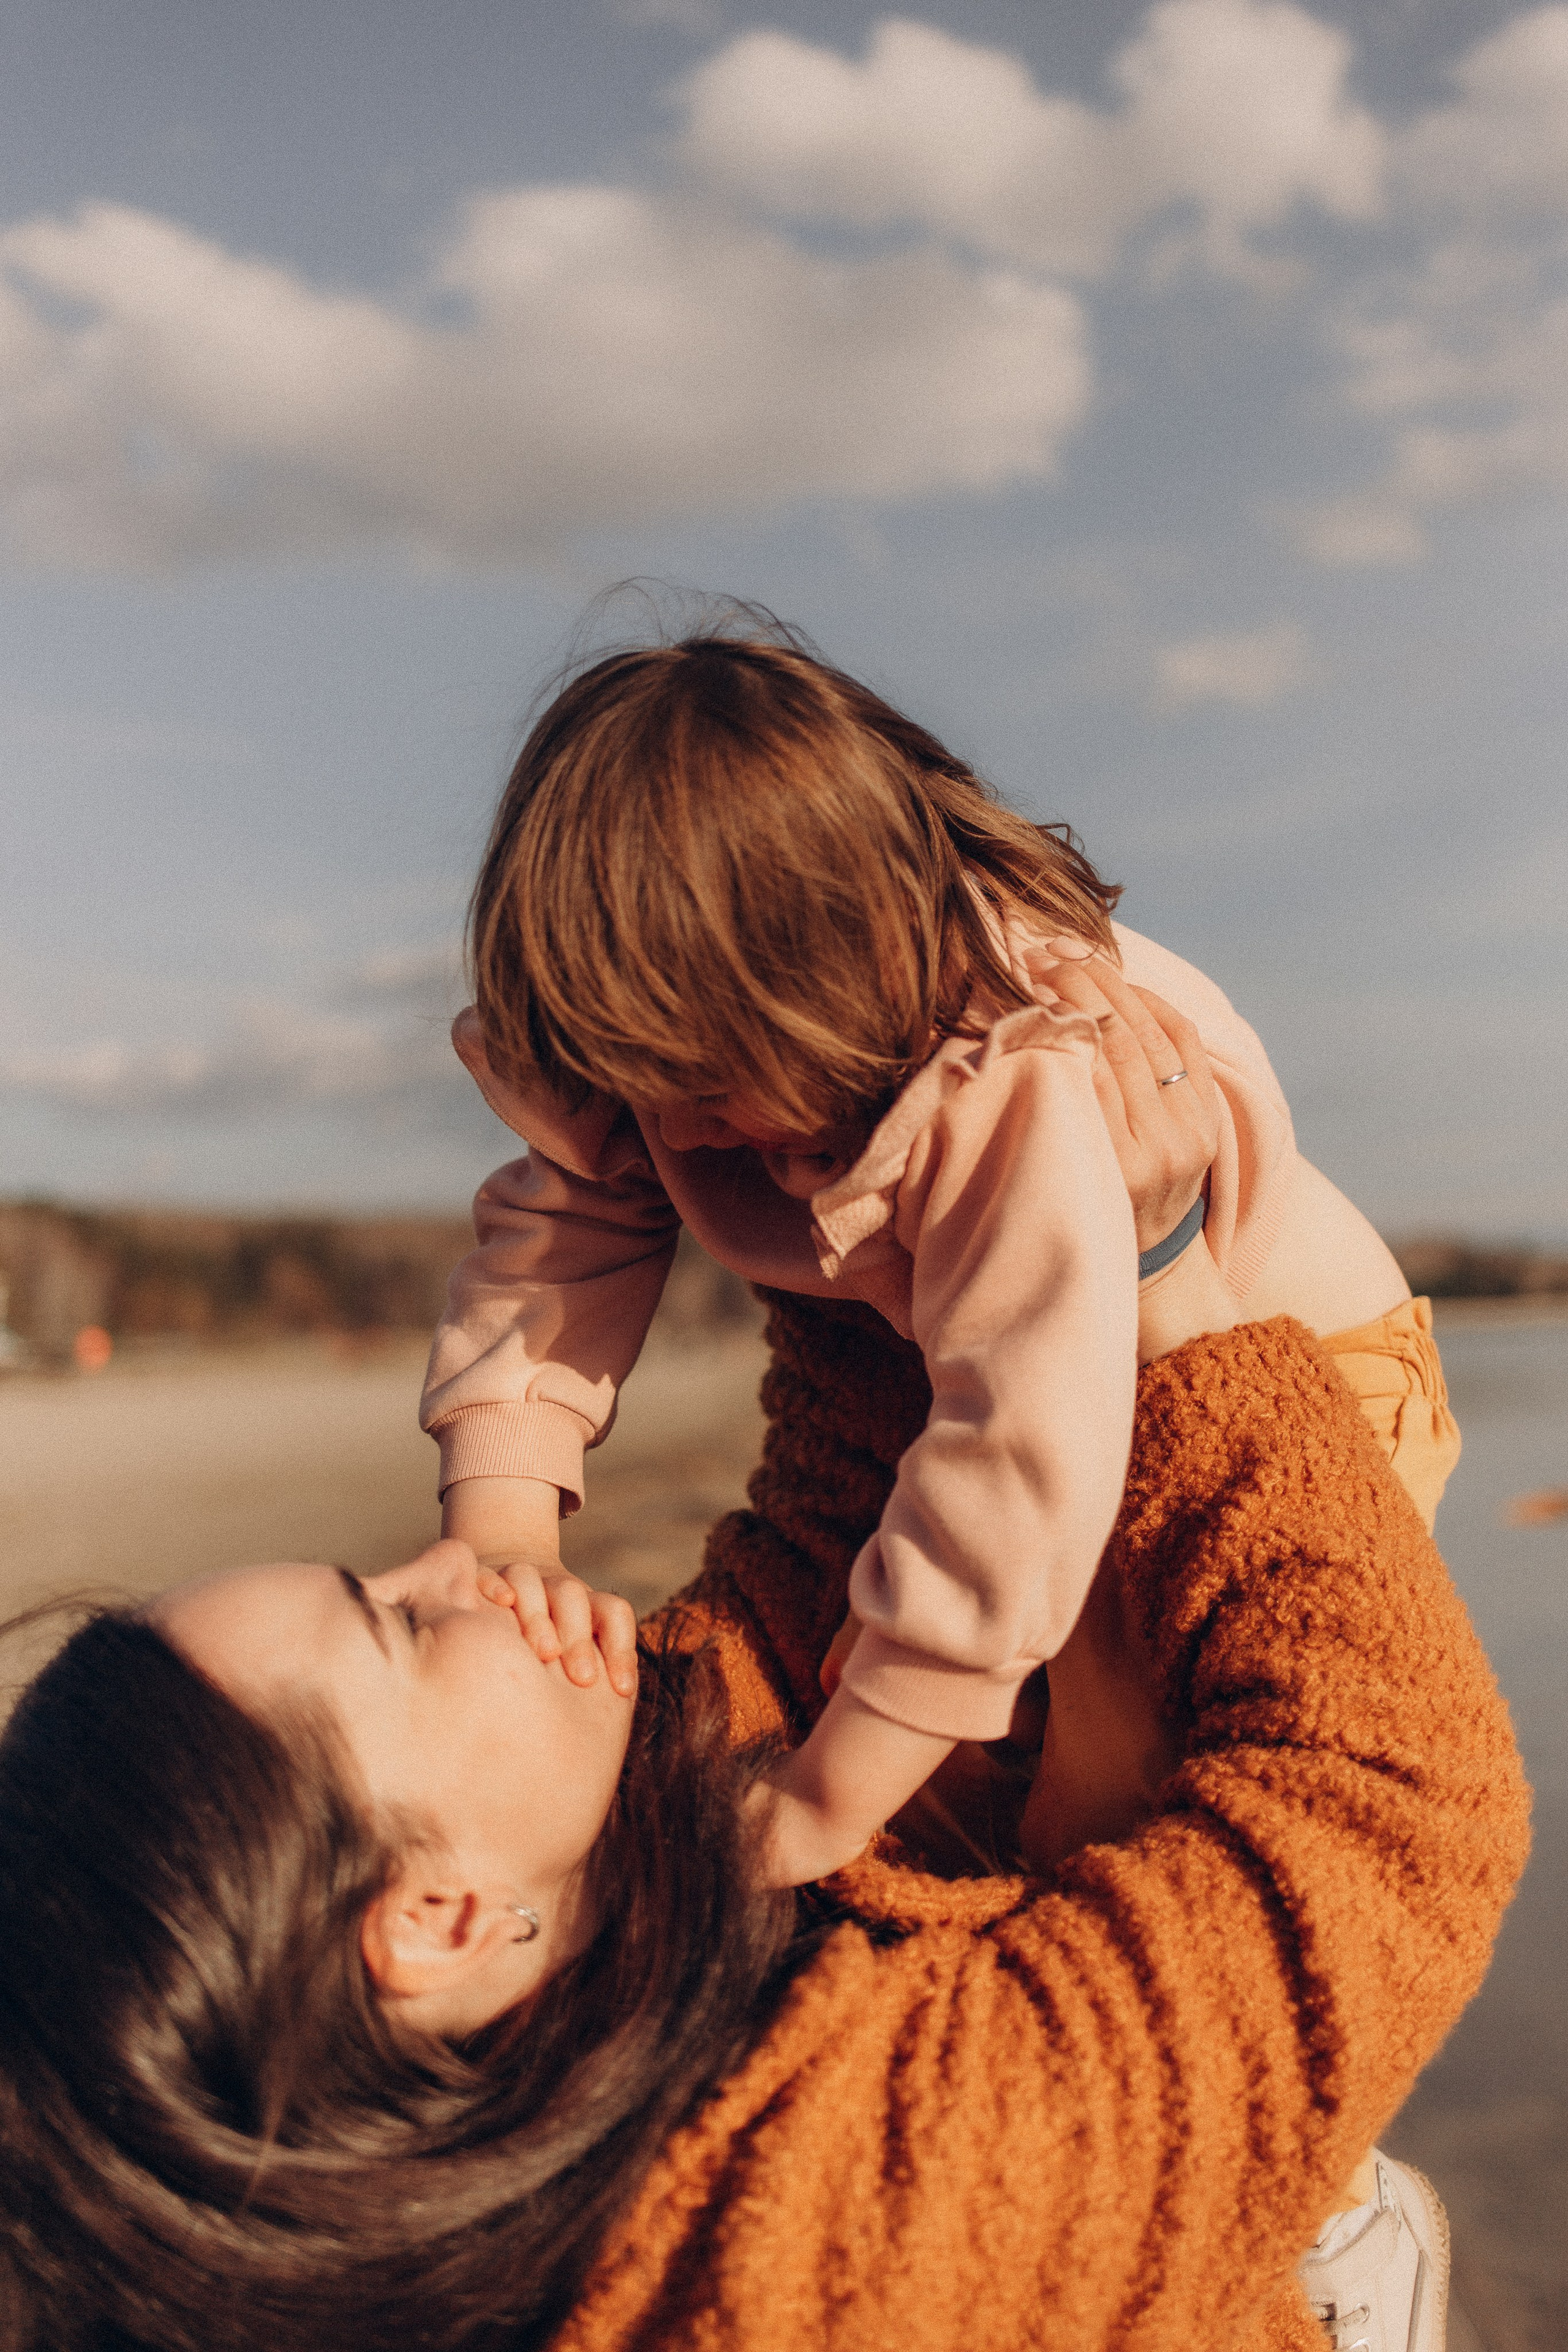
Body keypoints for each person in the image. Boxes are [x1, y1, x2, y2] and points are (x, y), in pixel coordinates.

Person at [0, 1287, 1527, 2352]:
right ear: (433, 1919)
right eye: (397, 1625)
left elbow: (832, 1542)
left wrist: (798, 1138)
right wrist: (1165, 1276)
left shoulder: (587, 1889)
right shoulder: (874, 2228)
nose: (449, 1566)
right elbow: (1381, 1805)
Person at [421, 613, 1460, 1886]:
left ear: (819, 984)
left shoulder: (1012, 1080)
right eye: (638, 1083)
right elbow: (574, 1217)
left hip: (1291, 1381)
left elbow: (1015, 1462)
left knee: (1110, 1790)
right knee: (942, 1734)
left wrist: (817, 1808)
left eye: (701, 1084)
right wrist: (503, 1532)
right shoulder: (689, 1034)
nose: (676, 1132)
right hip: (1044, 1353)